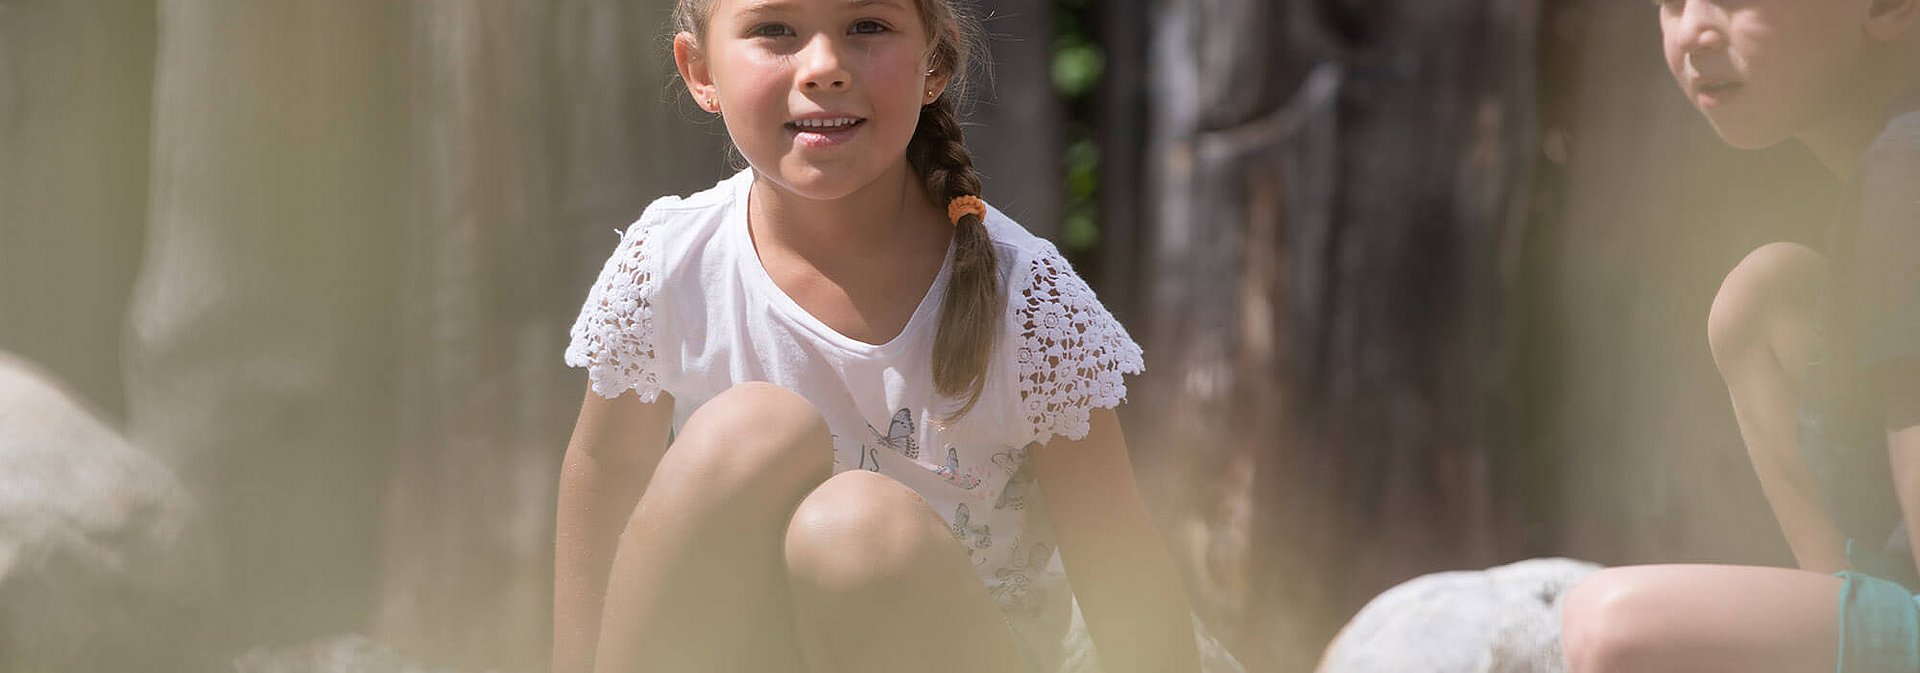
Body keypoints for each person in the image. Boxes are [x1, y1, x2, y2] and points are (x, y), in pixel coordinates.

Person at [549, 1, 1244, 672]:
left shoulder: (1024, 301)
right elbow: (606, 477)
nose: (824, 65)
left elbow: (1116, 557)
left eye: (867, 25)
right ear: (701, 71)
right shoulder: (672, 263)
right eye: (775, 28)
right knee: (750, 430)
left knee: (853, 528)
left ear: (933, 62)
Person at [1560, 1, 1920, 672]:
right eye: (1670, 2)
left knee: (1609, 628)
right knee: (1760, 297)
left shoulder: (1908, 171)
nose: (1692, 29)